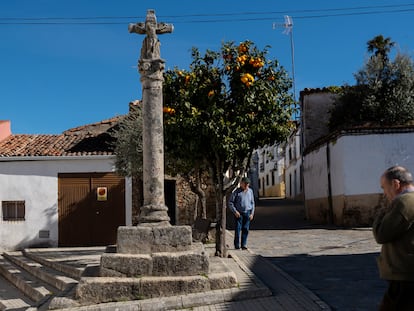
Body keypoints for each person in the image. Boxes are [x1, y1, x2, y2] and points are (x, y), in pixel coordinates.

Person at [373, 165, 414, 310]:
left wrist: (383, 209)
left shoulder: (404, 202)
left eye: (384, 187)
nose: (384, 193)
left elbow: (381, 234)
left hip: (404, 275)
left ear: (396, 184)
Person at [228, 176, 255, 250]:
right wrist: (235, 211)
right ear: (241, 184)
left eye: (248, 184)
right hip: (238, 213)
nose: (246, 185)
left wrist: (252, 213)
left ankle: (244, 244)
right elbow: (230, 202)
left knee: (246, 229)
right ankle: (237, 245)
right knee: (237, 229)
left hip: (247, 212)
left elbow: (252, 203)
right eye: (245, 184)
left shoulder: (250, 191)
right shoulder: (236, 192)